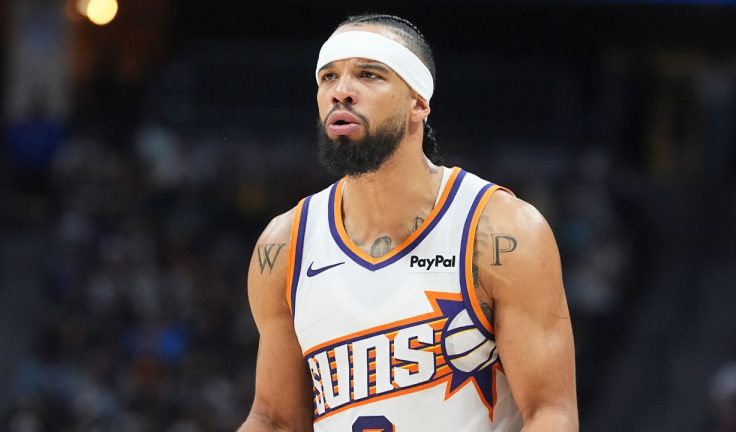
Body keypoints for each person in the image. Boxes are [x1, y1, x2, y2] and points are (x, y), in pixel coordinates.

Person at [239, 13, 577, 432]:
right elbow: (274, 420)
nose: (341, 92)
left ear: (418, 102)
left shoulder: (501, 231)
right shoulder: (285, 245)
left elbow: (550, 412)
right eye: (328, 78)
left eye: (368, 75)